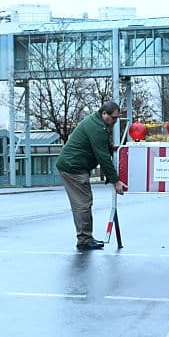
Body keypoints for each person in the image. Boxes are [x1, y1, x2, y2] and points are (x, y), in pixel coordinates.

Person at [56, 100, 127, 250]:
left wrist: (112, 148)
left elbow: (100, 146)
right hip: (73, 168)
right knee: (83, 203)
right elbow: (102, 157)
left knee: (82, 203)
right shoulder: (96, 127)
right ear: (104, 113)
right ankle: (84, 239)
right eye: (113, 118)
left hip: (73, 165)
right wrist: (116, 181)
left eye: (116, 118)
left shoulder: (97, 122)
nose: (114, 121)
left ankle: (85, 237)